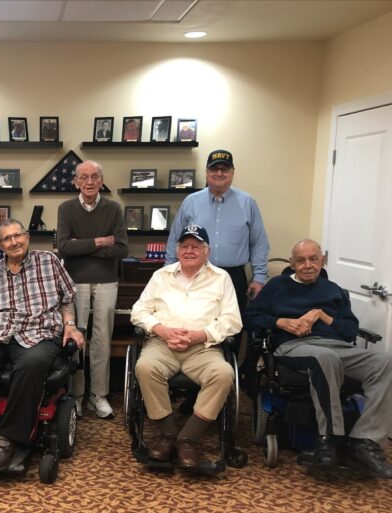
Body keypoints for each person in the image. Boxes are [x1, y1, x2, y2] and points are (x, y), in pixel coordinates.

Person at [244, 239, 392, 477]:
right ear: (292, 264)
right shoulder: (277, 286)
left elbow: (349, 331)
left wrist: (323, 315)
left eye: (313, 259)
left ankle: (364, 441)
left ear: (322, 260)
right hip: (293, 346)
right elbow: (250, 318)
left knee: (384, 363)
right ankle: (329, 439)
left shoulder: (333, 290)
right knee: (325, 358)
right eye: (301, 260)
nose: (307, 265)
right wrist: (281, 322)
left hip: (337, 346)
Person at [0, 219, 85, 472]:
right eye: (7, 239)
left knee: (32, 363)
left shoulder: (49, 262)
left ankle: (9, 439)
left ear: (27, 237)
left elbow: (67, 299)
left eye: (17, 236)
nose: (14, 242)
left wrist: (70, 325)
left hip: (40, 332)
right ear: (0, 246)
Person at [131, 225, 242, 468]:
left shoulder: (221, 278)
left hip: (203, 348)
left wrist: (199, 335)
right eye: (184, 246)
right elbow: (138, 311)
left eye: (196, 246)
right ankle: (168, 435)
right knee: (145, 367)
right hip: (163, 344)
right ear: (178, 249)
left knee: (224, 374)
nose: (189, 250)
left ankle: (188, 439)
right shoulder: (161, 276)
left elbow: (233, 321)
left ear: (207, 251)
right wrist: (161, 329)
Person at [57, 160, 128, 418]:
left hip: (107, 281)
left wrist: (83, 247)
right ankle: (75, 395)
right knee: (77, 338)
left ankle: (98, 395)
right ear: (75, 181)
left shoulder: (113, 209)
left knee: (101, 340)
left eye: (94, 177)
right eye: (83, 177)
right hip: (75, 281)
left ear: (101, 180)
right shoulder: (66, 209)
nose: (89, 182)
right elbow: (64, 248)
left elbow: (121, 249)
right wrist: (99, 241)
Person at [166, 150, 269, 315]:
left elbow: (259, 243)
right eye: (214, 169)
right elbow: (175, 241)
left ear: (232, 172)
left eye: (225, 169)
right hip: (196, 275)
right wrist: (169, 274)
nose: (219, 173)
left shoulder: (247, 202)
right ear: (206, 172)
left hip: (234, 277)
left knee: (232, 330)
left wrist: (259, 279)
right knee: (194, 323)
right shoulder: (191, 202)